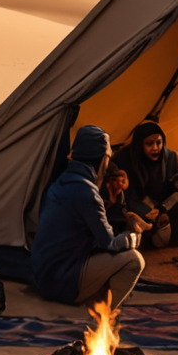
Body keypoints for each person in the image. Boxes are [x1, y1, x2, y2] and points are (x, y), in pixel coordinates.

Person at [32, 125, 145, 306]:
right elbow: (110, 243)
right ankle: (100, 317)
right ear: (102, 160)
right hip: (62, 282)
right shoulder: (87, 192)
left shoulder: (60, 183)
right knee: (134, 260)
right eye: (107, 159)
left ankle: (93, 298)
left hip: (43, 276)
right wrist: (133, 238)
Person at [120, 120, 178, 249]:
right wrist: (144, 211)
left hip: (163, 207)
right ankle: (152, 235)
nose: (156, 148)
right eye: (149, 144)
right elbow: (124, 194)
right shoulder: (126, 159)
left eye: (159, 142)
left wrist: (162, 209)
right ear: (140, 145)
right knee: (126, 219)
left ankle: (157, 233)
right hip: (138, 208)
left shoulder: (171, 157)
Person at [101, 164, 151, 237]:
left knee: (131, 218)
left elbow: (121, 204)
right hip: (110, 218)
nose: (120, 184)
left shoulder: (120, 193)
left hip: (119, 216)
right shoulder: (105, 191)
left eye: (122, 181)